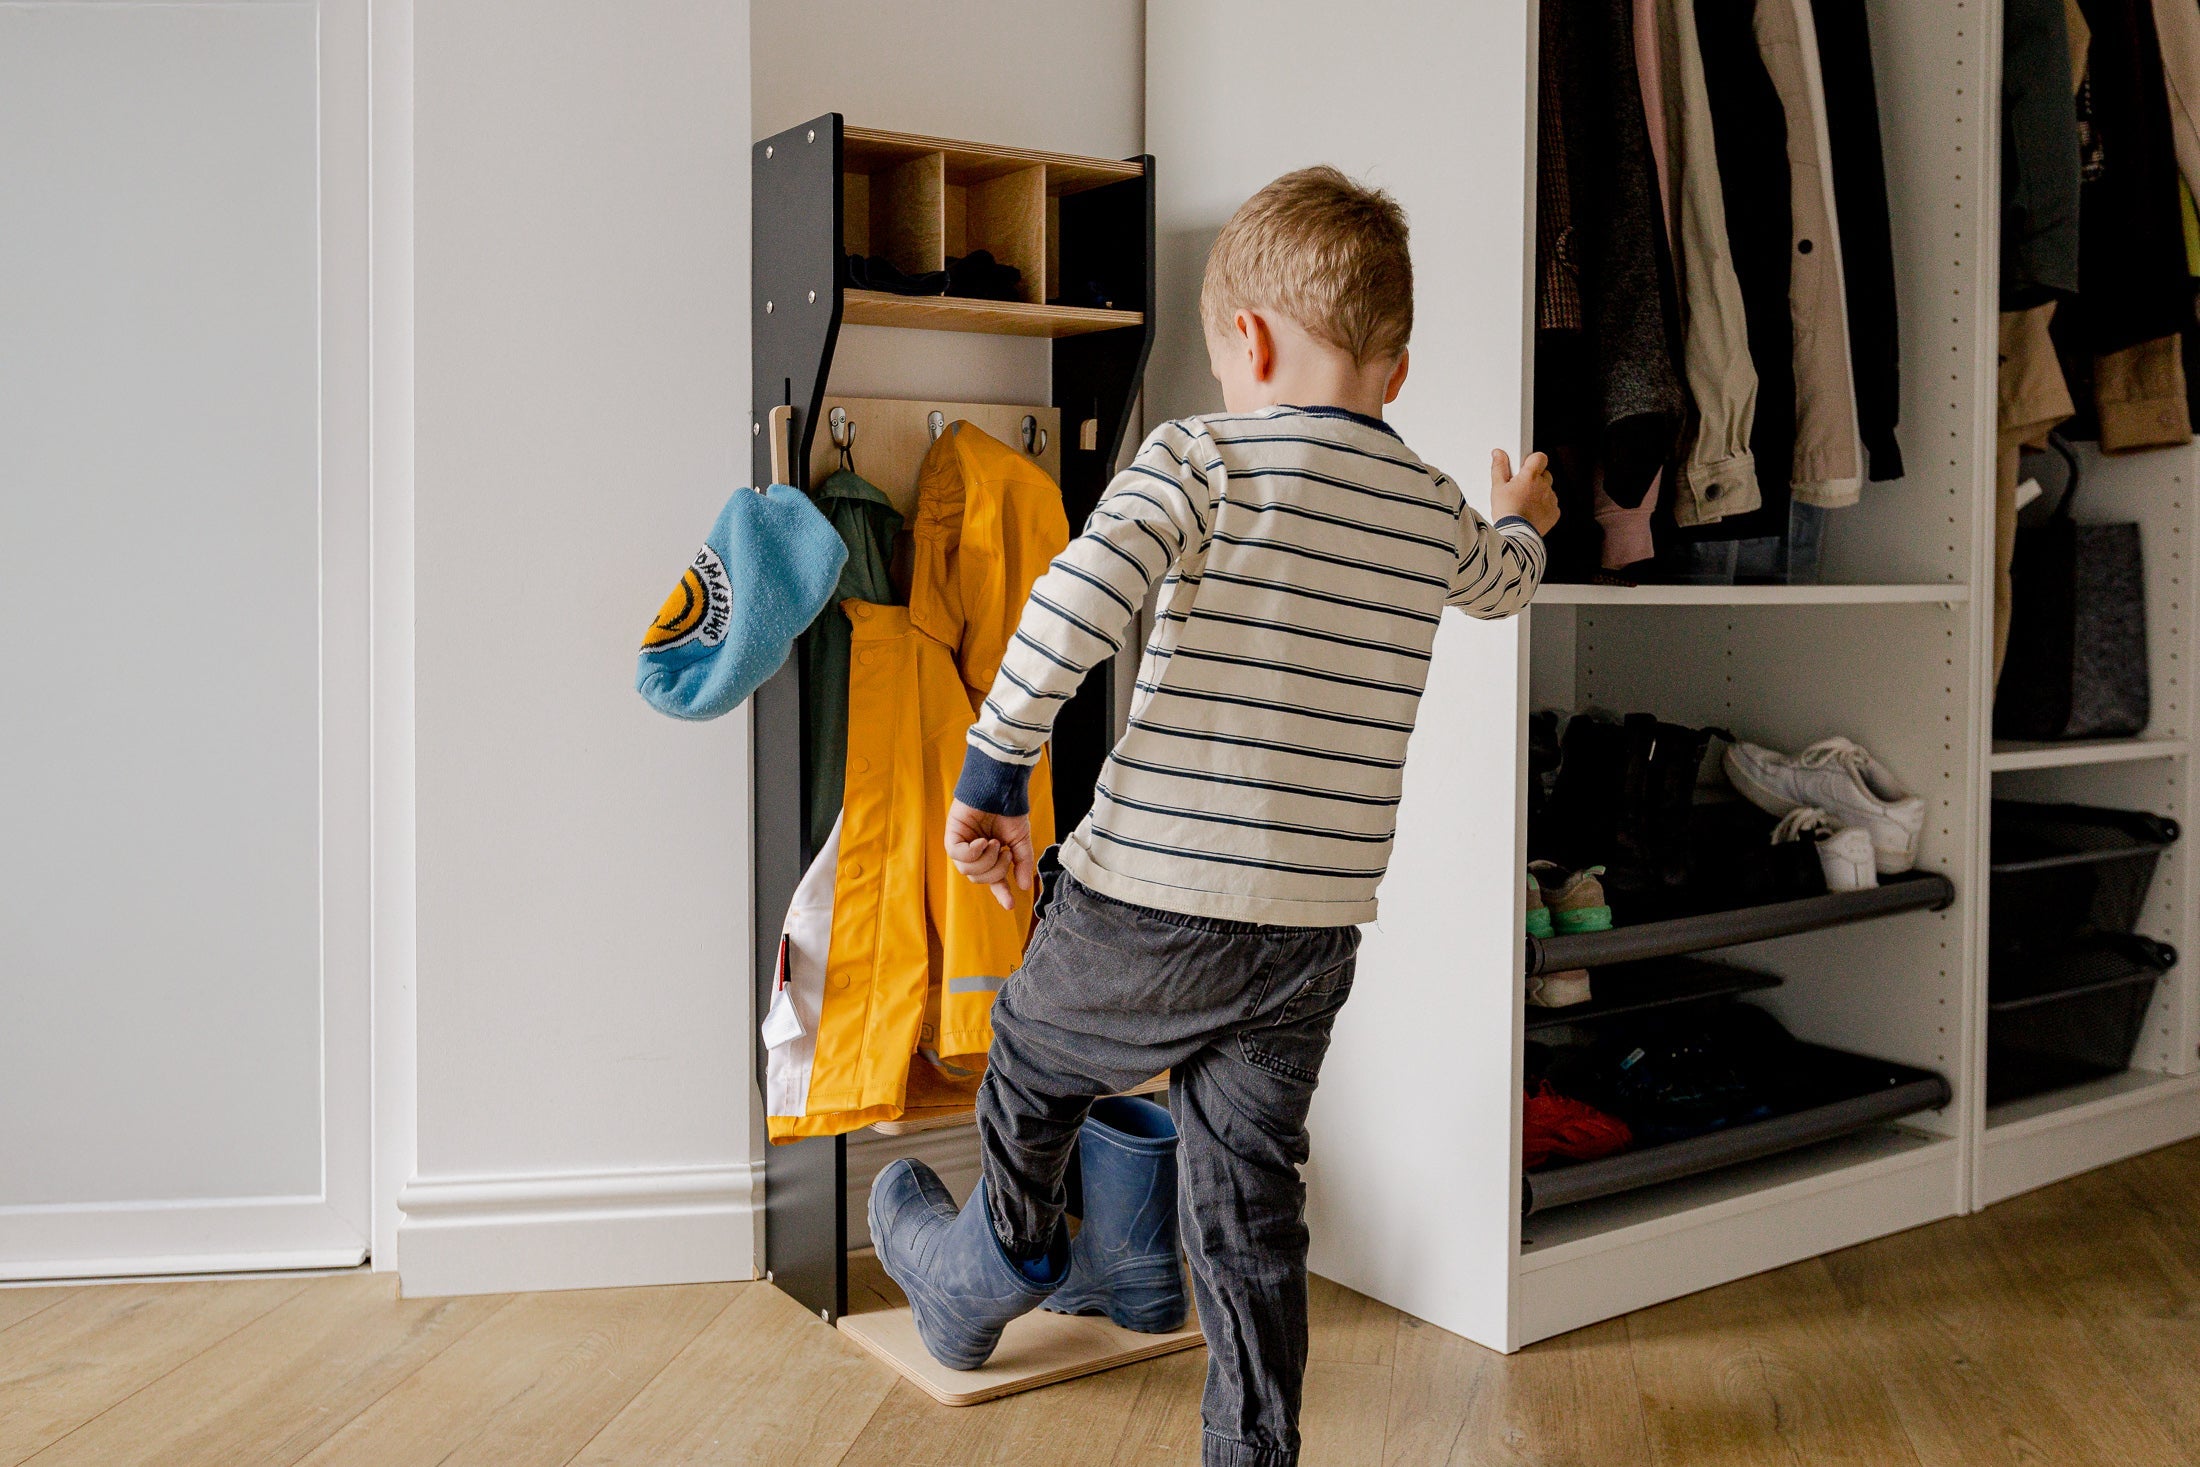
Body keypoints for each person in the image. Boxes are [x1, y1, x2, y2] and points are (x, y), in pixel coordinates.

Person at [869, 165, 1559, 1467]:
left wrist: (994, 772)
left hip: (1150, 900)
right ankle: (1250, 1444)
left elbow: (1075, 603)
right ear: (1395, 372)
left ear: (1244, 340)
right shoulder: (1425, 507)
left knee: (1028, 1048)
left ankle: (1006, 1252)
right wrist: (1522, 515)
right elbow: (1505, 581)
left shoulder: (1199, 455)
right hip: (1307, 936)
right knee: (1248, 1206)